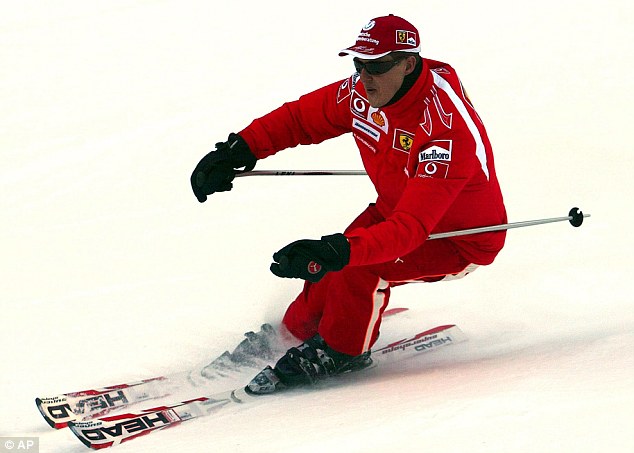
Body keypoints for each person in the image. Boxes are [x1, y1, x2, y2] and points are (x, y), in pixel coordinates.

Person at [191, 14, 507, 392]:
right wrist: (238, 150)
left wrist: (340, 251)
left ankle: (343, 350)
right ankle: (290, 335)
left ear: (408, 64)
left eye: (377, 66)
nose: (365, 76)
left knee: (357, 263)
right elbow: (301, 119)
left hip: (456, 238)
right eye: (359, 64)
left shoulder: (445, 132)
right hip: (395, 208)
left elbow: (409, 229)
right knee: (328, 270)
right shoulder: (363, 93)